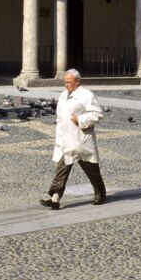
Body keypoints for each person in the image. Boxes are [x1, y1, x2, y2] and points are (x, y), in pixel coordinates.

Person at [40, 69, 106, 210]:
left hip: (80, 139)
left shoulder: (86, 95)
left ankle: (100, 193)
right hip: (65, 139)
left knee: (91, 169)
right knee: (61, 169)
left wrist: (80, 119)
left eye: (69, 82)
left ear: (77, 82)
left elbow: (97, 114)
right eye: (65, 82)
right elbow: (60, 117)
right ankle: (55, 198)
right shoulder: (63, 95)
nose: (66, 85)